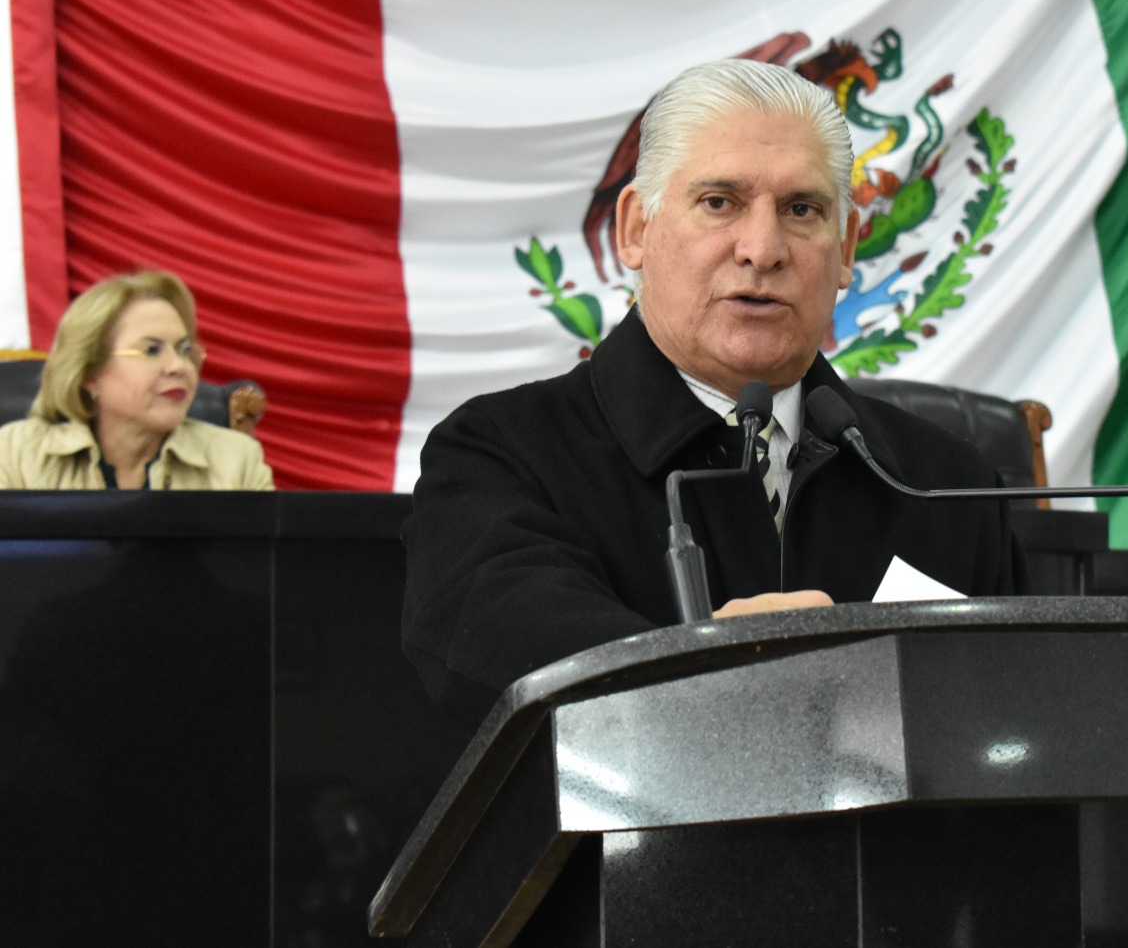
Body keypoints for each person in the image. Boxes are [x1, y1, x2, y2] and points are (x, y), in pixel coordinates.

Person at [405, 59, 1025, 726]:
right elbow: (514, 679)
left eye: (802, 209)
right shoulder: (499, 456)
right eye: (719, 203)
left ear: (845, 248)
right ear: (636, 229)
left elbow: (1018, 732)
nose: (762, 249)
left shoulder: (949, 485)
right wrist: (719, 673)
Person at [0, 270, 274, 490]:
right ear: (89, 373)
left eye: (183, 350)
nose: (179, 366)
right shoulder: (15, 454)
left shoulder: (237, 461)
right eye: (152, 350)